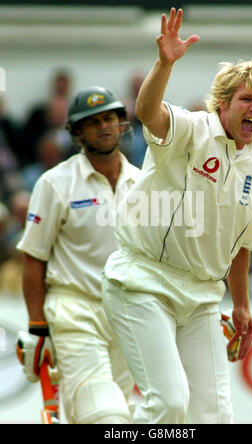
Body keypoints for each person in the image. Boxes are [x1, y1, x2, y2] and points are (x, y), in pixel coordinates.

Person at [101, 8, 252, 424]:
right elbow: (148, 112)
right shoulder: (193, 128)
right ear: (224, 103)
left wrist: (242, 306)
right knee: (168, 405)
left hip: (201, 297)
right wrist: (165, 63)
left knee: (214, 416)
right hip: (142, 281)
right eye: (246, 99)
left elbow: (244, 243)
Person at [16, 86, 141, 424]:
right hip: (75, 311)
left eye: (109, 119)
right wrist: (37, 327)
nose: (102, 127)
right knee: (104, 413)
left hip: (127, 315)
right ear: (77, 132)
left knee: (118, 414)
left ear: (121, 123)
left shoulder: (143, 184)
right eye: (92, 122)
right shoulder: (56, 183)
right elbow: (34, 257)